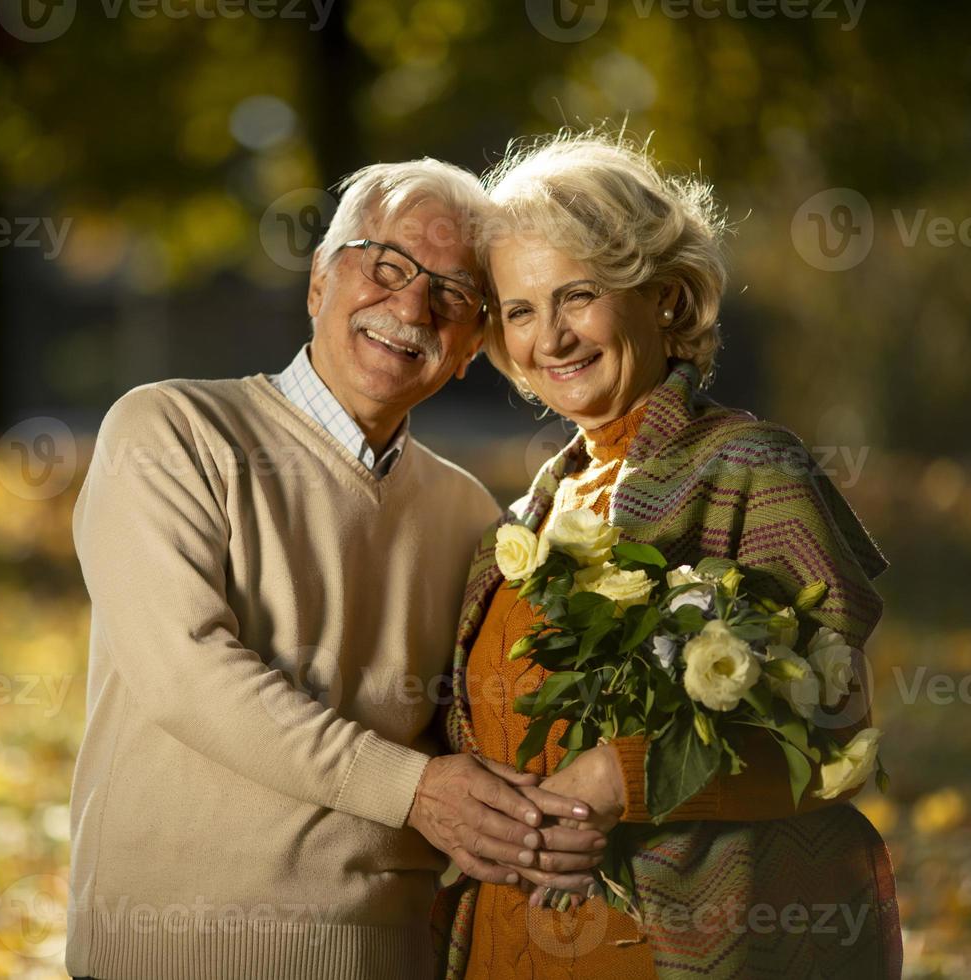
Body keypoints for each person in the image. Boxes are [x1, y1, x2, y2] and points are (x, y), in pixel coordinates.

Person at [65, 158, 604, 980]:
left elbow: (484, 731)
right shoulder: (167, 432)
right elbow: (184, 672)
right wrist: (416, 790)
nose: (410, 305)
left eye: (453, 296)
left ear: (471, 348)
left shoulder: (473, 520)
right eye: (385, 264)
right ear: (319, 279)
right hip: (171, 954)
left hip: (387, 958)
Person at [433, 133, 901, 979]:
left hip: (679, 950)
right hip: (507, 949)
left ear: (663, 297)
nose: (553, 337)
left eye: (578, 295)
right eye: (521, 310)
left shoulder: (752, 467)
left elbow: (835, 733)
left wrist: (622, 777)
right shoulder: (531, 511)